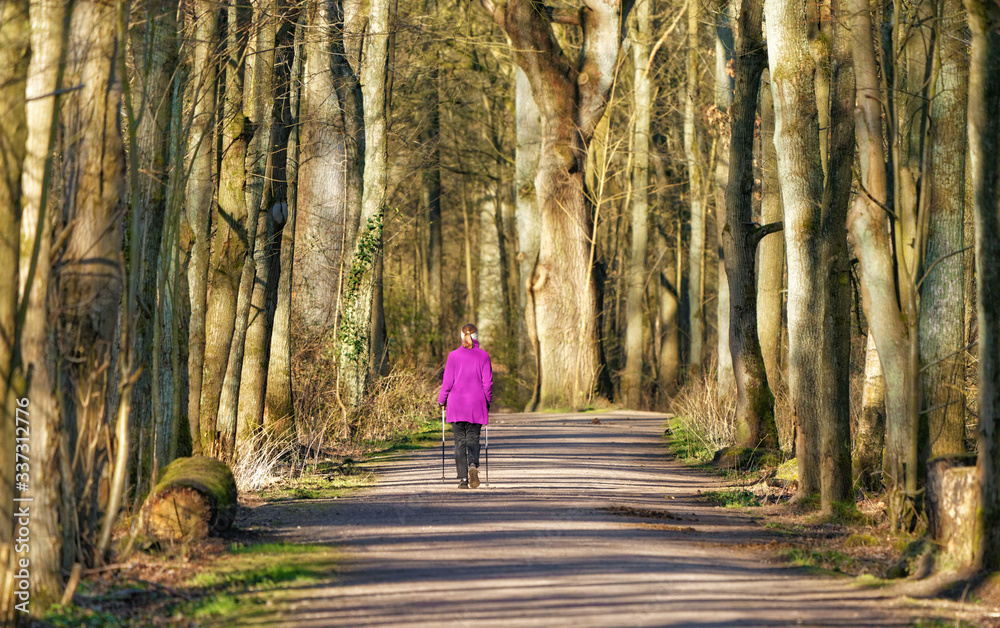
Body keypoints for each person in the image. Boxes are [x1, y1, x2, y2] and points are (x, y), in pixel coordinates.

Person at [438, 323, 493, 489]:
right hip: (476, 404)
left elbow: (447, 382)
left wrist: (442, 400)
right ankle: (473, 466)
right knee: (473, 439)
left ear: (461, 336)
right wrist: (487, 401)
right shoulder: (484, 356)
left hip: (456, 405)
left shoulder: (453, 356)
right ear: (477, 337)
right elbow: (488, 384)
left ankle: (463, 479)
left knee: (459, 442)